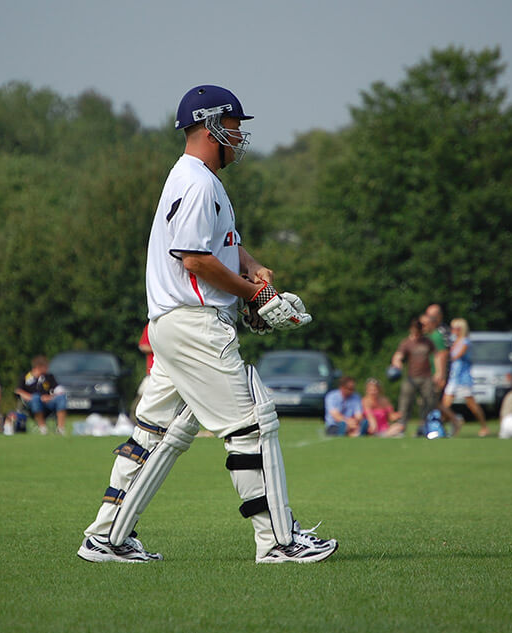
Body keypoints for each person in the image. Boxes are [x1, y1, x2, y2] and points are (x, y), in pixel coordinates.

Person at [77, 84, 336, 564]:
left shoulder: (197, 179)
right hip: (196, 324)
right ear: (212, 124)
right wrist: (252, 294)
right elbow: (194, 259)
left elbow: (223, 248)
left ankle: (106, 537)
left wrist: (253, 268)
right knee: (251, 424)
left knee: (153, 434)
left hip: (173, 324)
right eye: (235, 127)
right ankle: (277, 541)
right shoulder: (197, 182)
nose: (240, 137)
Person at [440, 318, 490, 437]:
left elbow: (456, 356)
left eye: (456, 328)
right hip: (454, 377)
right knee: (445, 404)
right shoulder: (454, 342)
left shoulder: (465, 342)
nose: (453, 331)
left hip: (463, 378)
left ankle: (484, 426)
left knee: (471, 404)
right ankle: (453, 422)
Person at [391, 318, 437, 433]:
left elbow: (437, 356)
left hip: (426, 377)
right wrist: (397, 363)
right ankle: (401, 426)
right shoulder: (406, 342)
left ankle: (424, 426)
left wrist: (438, 372)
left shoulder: (427, 342)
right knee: (405, 401)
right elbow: (398, 355)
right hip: (411, 377)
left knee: (429, 401)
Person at [14, 355, 67, 436]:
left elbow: (59, 390)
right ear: (39, 367)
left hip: (48, 402)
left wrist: (49, 397)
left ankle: (60, 428)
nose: (47, 369)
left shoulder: (49, 377)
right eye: (46, 367)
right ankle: (43, 428)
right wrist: (31, 397)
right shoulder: (26, 376)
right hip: (32, 403)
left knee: (61, 398)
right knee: (36, 398)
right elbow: (18, 391)